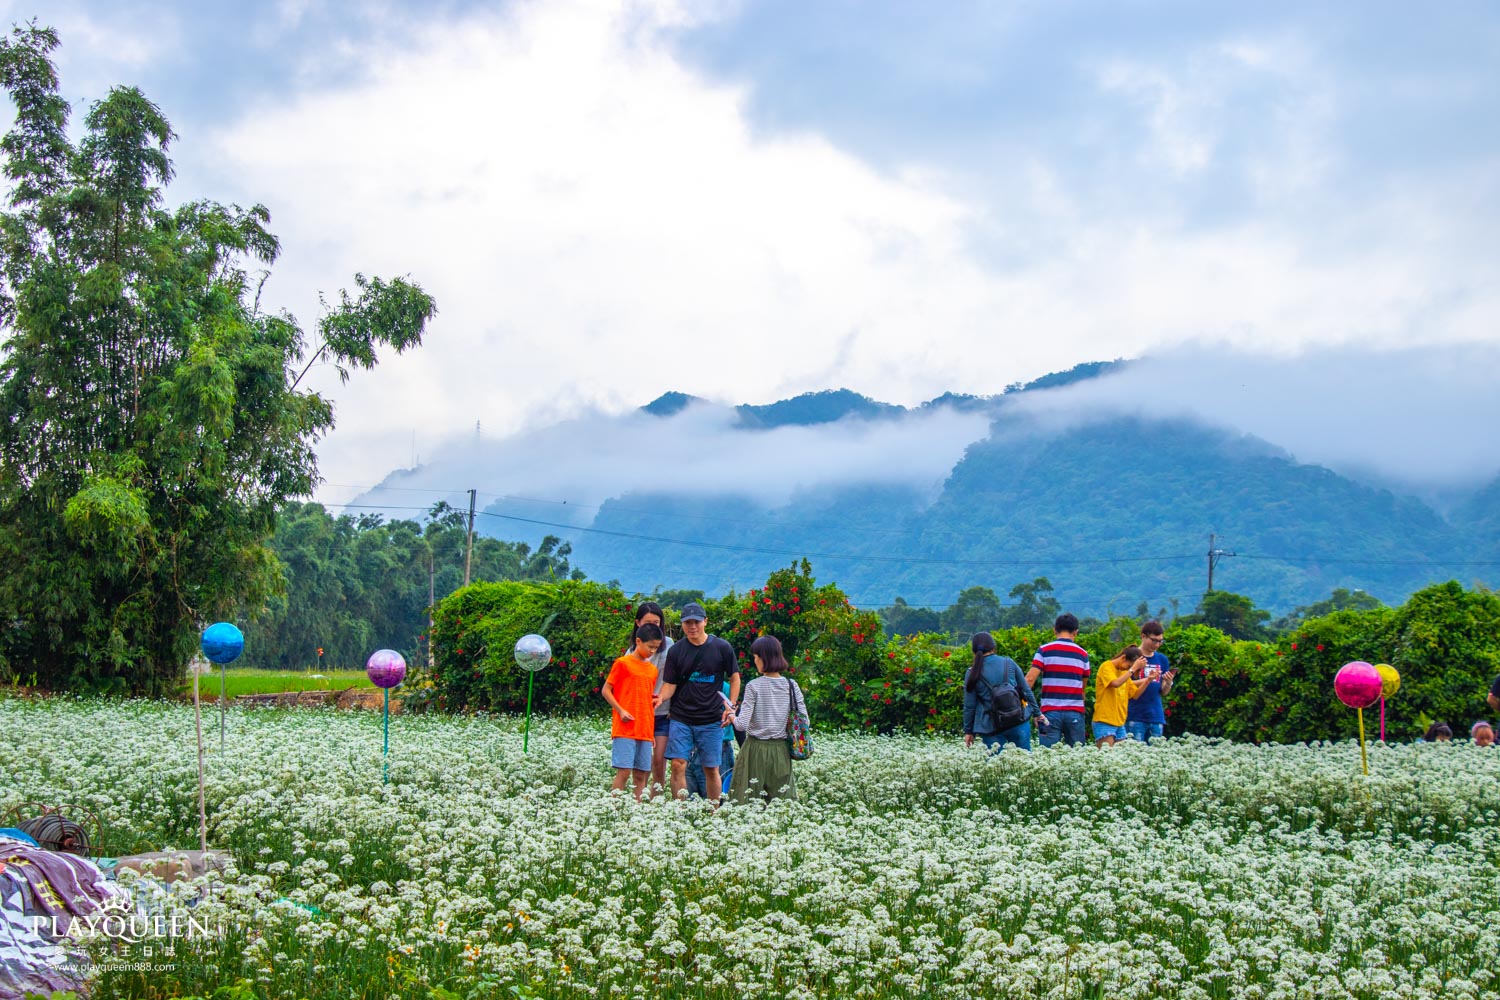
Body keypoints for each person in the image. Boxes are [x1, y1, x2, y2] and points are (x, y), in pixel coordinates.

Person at [658, 602, 739, 801]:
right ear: (682, 625)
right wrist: (659, 697)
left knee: (711, 768)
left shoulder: (722, 647)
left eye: (696, 622)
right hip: (681, 718)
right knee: (677, 764)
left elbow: (734, 677)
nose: (692, 626)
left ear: (705, 622)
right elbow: (670, 684)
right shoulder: (676, 651)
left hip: (711, 719)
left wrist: (731, 706)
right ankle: (681, 810)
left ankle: (714, 811)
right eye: (687, 623)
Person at [728, 635, 806, 804]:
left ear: (763, 658)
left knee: (747, 801)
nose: (755, 661)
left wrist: (730, 714)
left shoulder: (753, 686)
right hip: (781, 751)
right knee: (782, 804)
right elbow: (804, 721)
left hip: (755, 750)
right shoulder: (791, 685)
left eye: (755, 657)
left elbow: (741, 725)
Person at [600, 623, 663, 800]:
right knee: (624, 771)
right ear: (638, 641)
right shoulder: (622, 663)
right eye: (650, 646)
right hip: (625, 726)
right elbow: (606, 690)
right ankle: (614, 807)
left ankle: (636, 809)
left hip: (645, 727)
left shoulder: (652, 670)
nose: (652, 651)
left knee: (642, 773)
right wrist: (620, 711)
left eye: (656, 648)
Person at [962, 632, 1045, 752]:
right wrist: (1037, 714)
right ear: (993, 647)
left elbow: (969, 706)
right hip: (1018, 721)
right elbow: (1026, 690)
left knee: (995, 767)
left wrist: (968, 731)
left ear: (973, 651)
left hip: (990, 727)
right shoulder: (1009, 663)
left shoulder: (971, 672)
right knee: (1025, 762)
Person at [625, 602, 675, 796]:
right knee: (641, 762)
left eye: (657, 622)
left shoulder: (669, 645)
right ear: (638, 623)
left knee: (659, 760)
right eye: (648, 622)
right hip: (640, 714)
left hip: (662, 712)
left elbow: (672, 678)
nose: (654, 626)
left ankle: (657, 801)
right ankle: (639, 799)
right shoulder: (630, 653)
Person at [1026, 613, 1091, 747]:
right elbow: (1082, 689)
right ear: (1076, 632)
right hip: (1075, 712)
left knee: (1047, 756)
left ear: (1054, 630)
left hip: (1049, 713)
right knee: (1077, 757)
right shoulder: (1083, 655)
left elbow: (1029, 680)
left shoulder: (1044, 650)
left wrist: (1033, 710)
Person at [1125, 621, 1175, 744]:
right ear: (1143, 636)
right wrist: (1147, 679)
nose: (1157, 644)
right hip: (1134, 715)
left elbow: (1163, 691)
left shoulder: (1162, 659)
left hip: (1156, 716)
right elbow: (1124, 682)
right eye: (1154, 640)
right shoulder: (1132, 656)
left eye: (1160, 641)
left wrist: (1168, 682)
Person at [686, 681, 736, 797]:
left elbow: (735, 719)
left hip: (719, 747)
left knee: (715, 797)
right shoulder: (690, 684)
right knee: (691, 799)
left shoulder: (726, 688)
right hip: (693, 746)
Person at [1094, 645, 1150, 747]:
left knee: (1120, 758)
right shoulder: (1106, 666)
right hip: (1105, 721)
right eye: (1128, 666)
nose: (1128, 669)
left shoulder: (1124, 672)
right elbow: (1115, 683)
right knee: (1106, 757)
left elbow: (1135, 695)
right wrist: (1132, 669)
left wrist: (1148, 680)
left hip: (1120, 722)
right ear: (1123, 658)